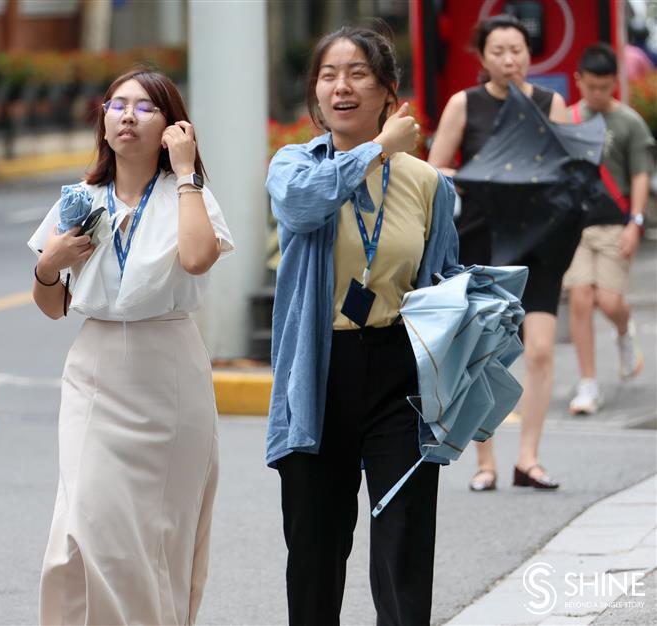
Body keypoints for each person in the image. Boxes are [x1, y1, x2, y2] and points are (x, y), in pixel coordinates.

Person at [266, 24, 462, 626]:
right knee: (315, 552)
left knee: (403, 546)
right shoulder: (296, 164)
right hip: (318, 371)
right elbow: (303, 208)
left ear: (388, 93)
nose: (341, 87)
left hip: (398, 373)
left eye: (358, 75)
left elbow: (444, 280)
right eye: (328, 75)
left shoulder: (428, 184)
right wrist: (377, 149)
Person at [28, 68, 233, 625]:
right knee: (82, 528)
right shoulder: (81, 199)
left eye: (145, 108)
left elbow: (196, 259)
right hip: (95, 371)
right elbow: (52, 304)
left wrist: (186, 172)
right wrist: (49, 266)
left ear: (171, 124)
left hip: (168, 370)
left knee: (156, 539)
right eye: (117, 104)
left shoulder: (188, 196)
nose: (126, 115)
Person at [428, 13, 572, 492]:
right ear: (482, 57)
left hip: (539, 242)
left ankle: (528, 457)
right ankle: (484, 461)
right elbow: (436, 172)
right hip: (481, 240)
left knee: (542, 350)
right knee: (483, 351)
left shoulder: (552, 105)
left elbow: (571, 171)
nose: (509, 60)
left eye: (517, 51)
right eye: (498, 51)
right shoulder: (464, 104)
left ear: (529, 55)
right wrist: (475, 182)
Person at [563, 43, 652, 414]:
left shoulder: (629, 122)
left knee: (610, 301)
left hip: (616, 224)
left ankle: (623, 328)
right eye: (591, 87)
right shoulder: (567, 119)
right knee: (581, 297)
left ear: (616, 82)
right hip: (578, 228)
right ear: (579, 80)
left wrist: (636, 223)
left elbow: (641, 175)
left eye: (605, 87)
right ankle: (588, 385)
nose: (598, 94)